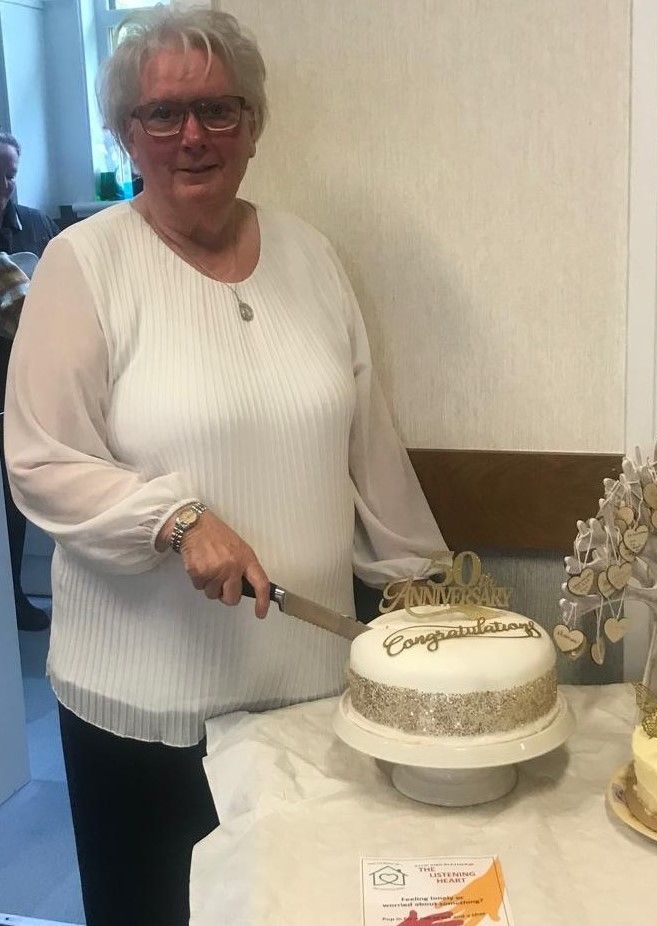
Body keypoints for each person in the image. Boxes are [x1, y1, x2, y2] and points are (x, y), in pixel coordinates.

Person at [4, 9, 445, 926]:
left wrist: (423, 590)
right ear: (126, 133)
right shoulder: (81, 265)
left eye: (217, 109)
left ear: (252, 127)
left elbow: (369, 444)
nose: (191, 135)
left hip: (312, 700)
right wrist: (175, 518)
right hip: (145, 720)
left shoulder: (313, 256)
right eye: (161, 115)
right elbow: (40, 460)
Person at [0, 130, 57, 631]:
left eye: (11, 173)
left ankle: (16, 596)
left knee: (17, 499)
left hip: (31, 381)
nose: (5, 183)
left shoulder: (34, 224)